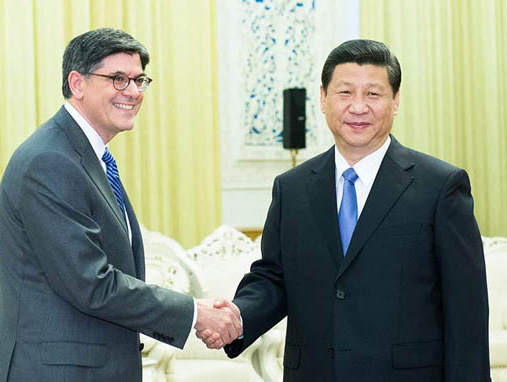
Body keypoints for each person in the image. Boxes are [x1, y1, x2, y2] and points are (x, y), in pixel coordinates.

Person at [203, 39, 491, 381]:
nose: (358, 107)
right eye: (345, 93)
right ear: (323, 98)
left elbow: (466, 309)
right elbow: (274, 278)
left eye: (373, 94)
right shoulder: (291, 188)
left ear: (395, 101)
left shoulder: (441, 186)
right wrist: (238, 316)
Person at [0, 28, 241, 382]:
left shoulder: (86, 157)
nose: (134, 92)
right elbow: (91, 284)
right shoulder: (50, 161)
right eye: (118, 79)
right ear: (77, 83)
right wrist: (194, 314)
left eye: (140, 80)